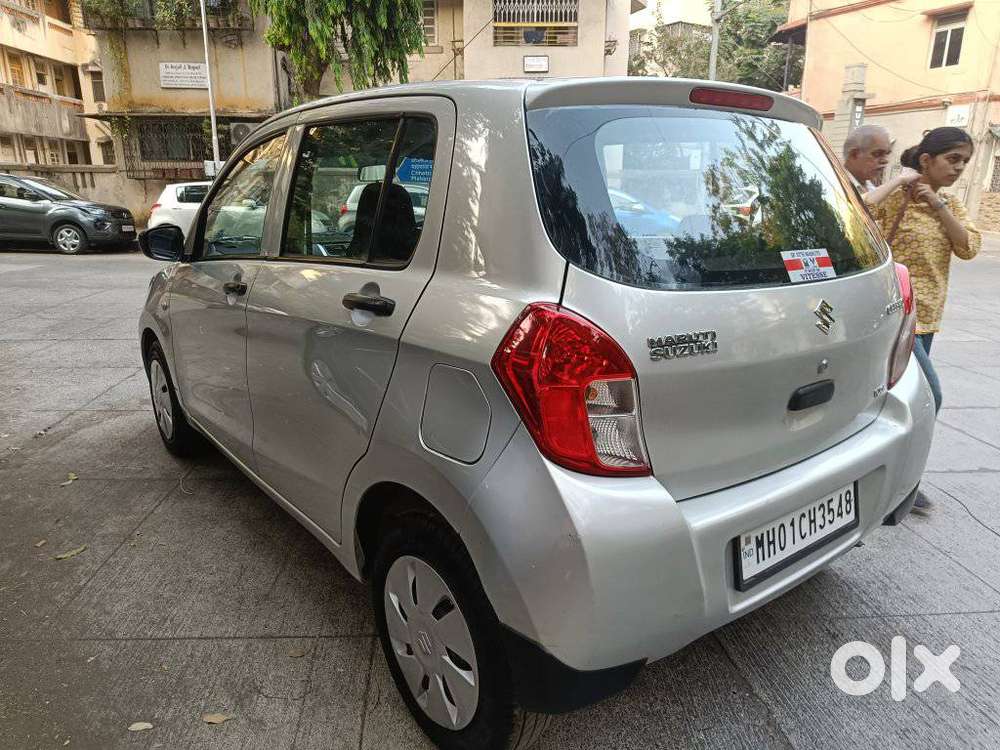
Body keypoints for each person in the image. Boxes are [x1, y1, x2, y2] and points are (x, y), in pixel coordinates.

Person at [874, 127, 982, 513]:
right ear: (926, 160)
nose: (959, 168)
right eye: (953, 159)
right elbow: (861, 211)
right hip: (896, 315)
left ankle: (892, 479)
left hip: (929, 317)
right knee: (929, 397)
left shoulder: (950, 204)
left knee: (901, 400)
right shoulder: (895, 196)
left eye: (964, 162)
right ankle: (904, 485)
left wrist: (937, 204)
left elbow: (969, 247)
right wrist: (900, 183)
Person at [842, 124, 922, 206]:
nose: (885, 160)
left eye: (887, 154)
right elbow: (857, 207)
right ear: (854, 154)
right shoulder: (837, 183)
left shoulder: (871, 188)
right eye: (877, 154)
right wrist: (899, 180)